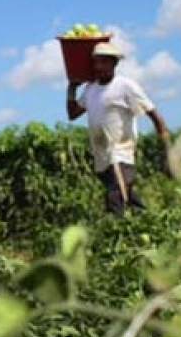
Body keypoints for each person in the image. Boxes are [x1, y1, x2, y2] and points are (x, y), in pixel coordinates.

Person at [66, 42, 172, 216]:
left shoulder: (126, 86)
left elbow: (152, 113)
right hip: (101, 153)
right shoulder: (91, 89)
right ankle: (144, 221)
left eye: (104, 62)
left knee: (115, 195)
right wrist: (71, 89)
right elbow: (73, 113)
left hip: (121, 150)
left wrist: (166, 144)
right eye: (96, 62)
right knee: (124, 193)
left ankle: (115, 230)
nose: (99, 67)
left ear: (114, 64)